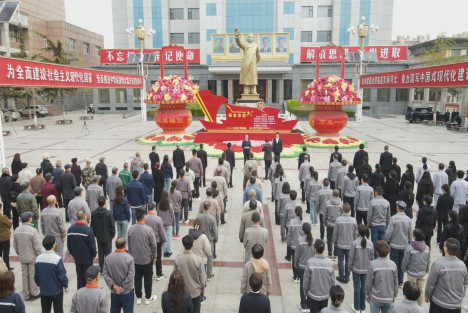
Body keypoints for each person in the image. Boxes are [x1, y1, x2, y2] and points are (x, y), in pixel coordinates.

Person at [425, 238, 468, 312]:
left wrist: (427, 295)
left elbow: (431, 283)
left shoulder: (438, 264)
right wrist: (461, 296)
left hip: (439, 303)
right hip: (456, 305)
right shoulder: (462, 266)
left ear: (446, 249)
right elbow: (464, 284)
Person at [127, 208, 157, 305]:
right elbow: (154, 245)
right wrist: (155, 255)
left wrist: (131, 256)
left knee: (137, 278)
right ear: (144, 217)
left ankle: (138, 296)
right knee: (148, 279)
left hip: (135, 259)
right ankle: (148, 297)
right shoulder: (149, 230)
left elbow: (129, 244)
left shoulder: (131, 229)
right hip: (147, 259)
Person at [34, 235, 69, 313]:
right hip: (56, 290)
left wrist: (40, 284)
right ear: (54, 245)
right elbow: (62, 275)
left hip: (44, 290)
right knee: (58, 310)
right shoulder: (57, 259)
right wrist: (65, 285)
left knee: (45, 310)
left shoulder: (38, 258)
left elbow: (36, 275)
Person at [174, 235, 207, 313]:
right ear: (192, 244)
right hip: (195, 293)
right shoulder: (198, 259)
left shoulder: (178, 259)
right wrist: (203, 287)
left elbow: (175, 276)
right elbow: (202, 277)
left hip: (181, 293)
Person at [102, 237, 135, 313]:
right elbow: (131, 275)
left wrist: (113, 286)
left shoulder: (108, 258)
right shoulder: (129, 258)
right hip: (127, 292)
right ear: (125, 246)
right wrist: (122, 287)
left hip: (114, 292)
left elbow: (105, 273)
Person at [13, 212, 41, 301]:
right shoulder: (33, 230)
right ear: (29, 219)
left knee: (24, 275)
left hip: (23, 256)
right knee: (32, 275)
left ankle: (26, 294)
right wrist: (39, 255)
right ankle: (34, 293)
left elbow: (15, 245)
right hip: (32, 256)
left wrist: (19, 253)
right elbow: (37, 246)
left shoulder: (17, 230)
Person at [365, 240, 398, 313]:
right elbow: (395, 282)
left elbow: (369, 282)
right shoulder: (393, 265)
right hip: (388, 297)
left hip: (376, 297)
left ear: (377, 251)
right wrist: (394, 295)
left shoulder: (373, 264)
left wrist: (367, 293)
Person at [303, 239, 335, 313]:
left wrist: (306, 291)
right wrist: (330, 292)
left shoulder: (310, 262)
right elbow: (332, 280)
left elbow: (306, 280)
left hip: (312, 295)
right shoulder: (330, 263)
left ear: (315, 249)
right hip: (324, 295)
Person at [385, 201, 412, 286]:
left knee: (394, 263)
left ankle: (394, 281)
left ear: (397, 207)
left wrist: (387, 241)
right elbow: (410, 233)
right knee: (401, 264)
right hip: (404, 245)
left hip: (394, 245)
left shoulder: (393, 218)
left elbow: (389, 232)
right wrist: (409, 242)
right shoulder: (408, 219)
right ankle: (400, 281)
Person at [67, 210, 96, 289]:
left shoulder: (70, 229)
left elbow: (69, 244)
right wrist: (94, 254)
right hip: (87, 258)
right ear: (84, 217)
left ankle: (80, 292)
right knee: (88, 277)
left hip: (77, 258)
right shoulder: (88, 230)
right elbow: (92, 245)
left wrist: (72, 254)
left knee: (79, 277)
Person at [401, 228, 430, 306]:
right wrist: (426, 269)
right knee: (420, 291)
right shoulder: (427, 248)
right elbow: (428, 260)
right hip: (422, 274)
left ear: (414, 237)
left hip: (412, 274)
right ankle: (419, 306)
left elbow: (406, 260)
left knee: (411, 291)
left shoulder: (410, 248)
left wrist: (403, 269)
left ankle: (410, 306)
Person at [349, 224, 374, 313]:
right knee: (363, 288)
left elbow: (351, 256)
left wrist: (350, 267)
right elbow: (372, 258)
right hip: (366, 270)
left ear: (358, 232)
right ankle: (362, 307)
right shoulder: (370, 244)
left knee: (356, 287)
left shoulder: (354, 243)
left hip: (356, 269)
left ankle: (356, 306)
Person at [333, 202, 358, 284]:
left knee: (340, 260)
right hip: (350, 244)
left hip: (340, 243)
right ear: (350, 210)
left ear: (342, 210)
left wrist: (334, 241)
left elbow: (335, 232)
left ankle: (341, 276)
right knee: (348, 261)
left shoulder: (338, 220)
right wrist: (355, 241)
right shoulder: (354, 220)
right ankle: (347, 277)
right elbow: (355, 233)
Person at [91, 196, 115, 273]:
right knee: (108, 253)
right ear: (105, 203)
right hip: (107, 236)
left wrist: (95, 234)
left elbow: (92, 225)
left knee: (101, 254)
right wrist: (112, 234)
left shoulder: (94, 213)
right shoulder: (108, 213)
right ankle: (108, 269)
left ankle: (101, 270)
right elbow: (112, 225)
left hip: (99, 236)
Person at [294, 223, 314, 312]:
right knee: (310, 285)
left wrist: (295, 264)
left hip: (302, 266)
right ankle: (309, 305)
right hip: (311, 266)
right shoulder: (314, 240)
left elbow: (296, 255)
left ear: (303, 230)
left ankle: (303, 304)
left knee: (302, 285)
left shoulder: (300, 240)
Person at [367, 187, 390, 257]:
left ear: (375, 193)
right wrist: (387, 224)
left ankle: (376, 258)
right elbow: (388, 215)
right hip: (383, 225)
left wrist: (368, 224)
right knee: (383, 244)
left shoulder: (372, 202)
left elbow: (369, 215)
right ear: (382, 193)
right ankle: (382, 256)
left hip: (374, 225)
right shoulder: (386, 202)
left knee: (375, 244)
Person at [198, 201, 217, 279]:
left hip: (199, 239)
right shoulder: (211, 218)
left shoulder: (199, 217)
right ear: (209, 207)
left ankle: (201, 273)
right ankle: (209, 274)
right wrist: (215, 239)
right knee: (209, 257)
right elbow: (215, 231)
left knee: (200, 257)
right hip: (209, 240)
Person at [287, 206, 305, 282]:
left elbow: (289, 234)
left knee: (294, 260)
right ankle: (300, 276)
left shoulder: (291, 222)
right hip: (302, 244)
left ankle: (295, 276)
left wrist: (288, 243)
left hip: (294, 245)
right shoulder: (304, 222)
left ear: (295, 213)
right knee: (301, 260)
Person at [324, 189, 343, 259]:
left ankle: (329, 253)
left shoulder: (328, 203)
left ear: (332, 194)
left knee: (329, 238)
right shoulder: (341, 203)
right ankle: (335, 254)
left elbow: (325, 213)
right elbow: (342, 213)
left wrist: (324, 222)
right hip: (337, 224)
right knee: (337, 238)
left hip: (329, 224)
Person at [158, 192, 175, 258]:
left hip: (162, 223)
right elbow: (172, 215)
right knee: (169, 238)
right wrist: (173, 223)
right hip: (169, 223)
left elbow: (158, 215)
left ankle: (164, 251)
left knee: (163, 238)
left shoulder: (159, 205)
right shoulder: (169, 205)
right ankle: (169, 251)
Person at [0, 203, 12, 271]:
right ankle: (7, 266)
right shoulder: (3, 217)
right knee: (6, 253)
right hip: (5, 238)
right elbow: (10, 224)